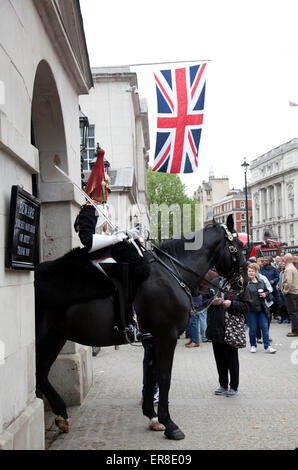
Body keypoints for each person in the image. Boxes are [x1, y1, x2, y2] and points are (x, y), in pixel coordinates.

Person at [206, 283, 251, 397]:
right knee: (219, 359)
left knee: (232, 359)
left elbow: (247, 306)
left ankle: (234, 386)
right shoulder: (214, 282)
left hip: (232, 329)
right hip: (216, 327)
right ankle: (223, 385)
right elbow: (202, 302)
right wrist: (212, 302)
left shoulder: (240, 286)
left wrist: (231, 304)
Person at [246, 263, 277, 353]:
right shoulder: (245, 283)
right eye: (249, 271)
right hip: (251, 309)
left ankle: (267, 346)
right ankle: (253, 345)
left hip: (261, 309)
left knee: (264, 327)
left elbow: (269, 292)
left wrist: (265, 294)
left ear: (256, 272)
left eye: (253, 271)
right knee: (253, 328)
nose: (251, 273)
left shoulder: (261, 281)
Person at [281, 253, 298, 337]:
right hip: (295, 292)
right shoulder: (293, 267)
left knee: (293, 313)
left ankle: (295, 331)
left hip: (291, 293)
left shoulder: (289, 268)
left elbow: (289, 282)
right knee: (295, 312)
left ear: (285, 259)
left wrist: (285, 291)